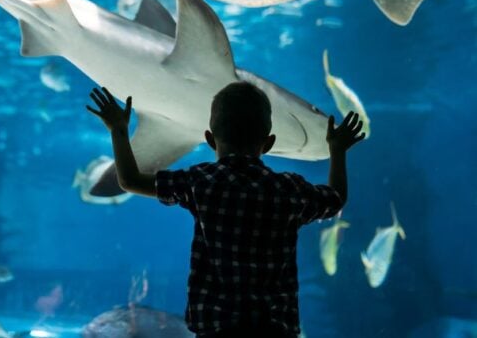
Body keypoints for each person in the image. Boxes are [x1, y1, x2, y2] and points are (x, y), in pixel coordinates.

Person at [86, 82, 365, 338]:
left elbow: (130, 181)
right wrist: (337, 149)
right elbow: (336, 199)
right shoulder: (287, 189)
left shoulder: (202, 182)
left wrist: (119, 130)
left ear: (210, 138)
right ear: (269, 143)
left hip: (217, 328)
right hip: (274, 329)